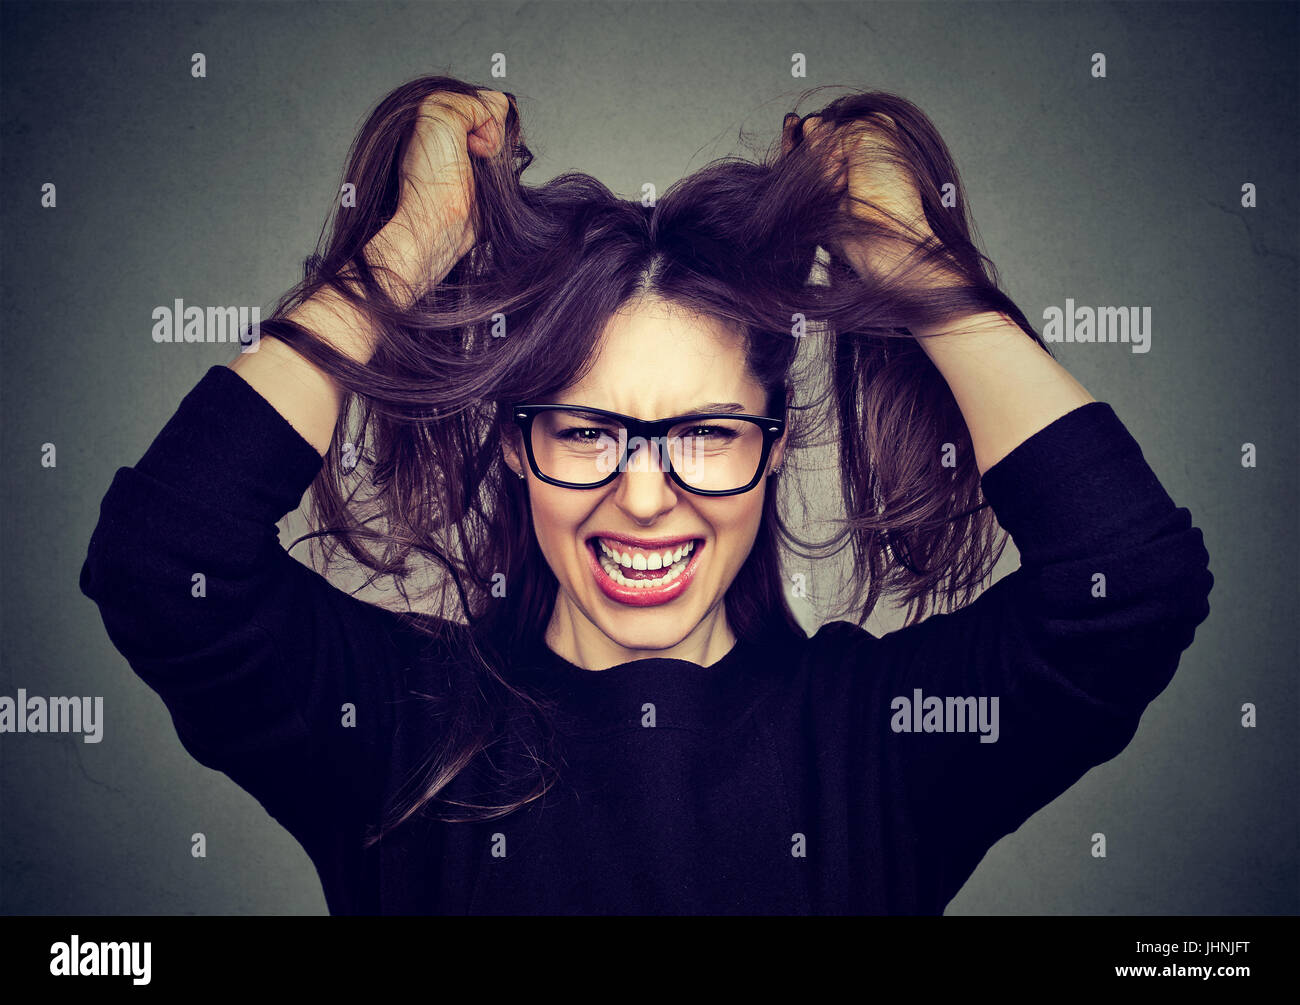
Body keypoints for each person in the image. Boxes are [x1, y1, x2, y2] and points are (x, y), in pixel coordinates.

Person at [80, 76, 1213, 914]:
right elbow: (165, 566)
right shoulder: (398, 725)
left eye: (705, 435)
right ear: (517, 444)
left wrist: (911, 265)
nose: (645, 496)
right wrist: (409, 247)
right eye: (587, 430)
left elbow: (1128, 588)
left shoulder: (880, 741)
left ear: (770, 449)